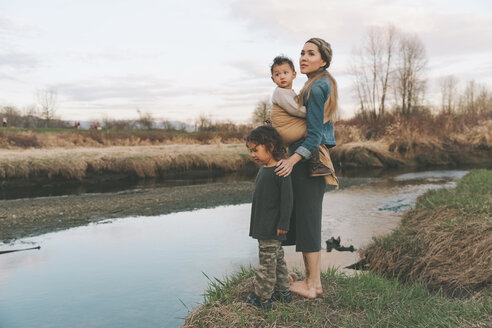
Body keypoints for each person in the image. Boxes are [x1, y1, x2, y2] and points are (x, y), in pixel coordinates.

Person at [274, 37, 339, 299]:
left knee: (309, 222)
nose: (303, 57)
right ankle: (314, 282)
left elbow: (313, 137)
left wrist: (292, 160)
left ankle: (311, 286)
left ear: (323, 61)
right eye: (302, 52)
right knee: (305, 219)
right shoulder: (318, 84)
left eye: (311, 53)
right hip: (310, 162)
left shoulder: (316, 88)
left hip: (309, 162)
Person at [245, 125, 294, 309]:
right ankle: (284, 293)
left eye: (256, 150)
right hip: (263, 226)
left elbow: (287, 200)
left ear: (270, 146)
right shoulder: (264, 169)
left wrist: (283, 223)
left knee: (266, 264)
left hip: (272, 227)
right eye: (251, 151)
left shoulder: (281, 170)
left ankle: (263, 298)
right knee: (278, 260)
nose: (253, 155)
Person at [269, 55, 334, 177]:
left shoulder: (288, 92)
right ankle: (315, 164)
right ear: (273, 79)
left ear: (293, 74)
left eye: (285, 72)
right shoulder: (280, 92)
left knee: (313, 127)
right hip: (286, 131)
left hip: (287, 130)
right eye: (277, 74)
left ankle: (317, 158)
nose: (282, 76)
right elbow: (296, 110)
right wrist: (316, 113)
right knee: (312, 129)